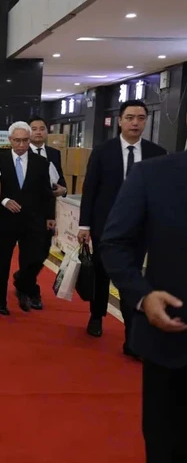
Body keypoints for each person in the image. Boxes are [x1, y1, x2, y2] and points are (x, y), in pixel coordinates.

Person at [100, 153, 187, 463]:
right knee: (168, 444)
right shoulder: (153, 175)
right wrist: (143, 295)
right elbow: (115, 243)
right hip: (172, 342)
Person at [77, 99, 166, 354]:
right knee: (102, 274)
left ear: (146, 121)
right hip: (106, 226)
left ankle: (132, 336)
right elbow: (90, 190)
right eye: (130, 117)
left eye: (140, 118)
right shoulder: (103, 151)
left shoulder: (156, 154)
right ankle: (96, 315)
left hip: (140, 229)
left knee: (131, 278)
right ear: (120, 121)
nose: (135, 123)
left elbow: (161, 194)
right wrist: (84, 225)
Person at [0, 122, 56, 315]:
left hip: (33, 220)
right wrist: (3, 201)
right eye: (17, 140)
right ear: (10, 140)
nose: (21, 144)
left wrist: (50, 216)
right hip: (6, 220)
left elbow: (46, 192)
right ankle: (0, 299)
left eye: (25, 140)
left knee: (33, 259)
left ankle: (23, 285)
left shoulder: (41, 163)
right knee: (2, 260)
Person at [28, 117, 67, 197]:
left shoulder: (54, 153)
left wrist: (64, 190)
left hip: (50, 199)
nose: (38, 132)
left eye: (42, 129)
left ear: (47, 131)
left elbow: (59, 176)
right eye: (34, 129)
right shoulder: (23, 152)